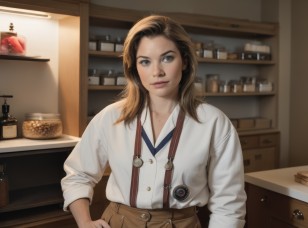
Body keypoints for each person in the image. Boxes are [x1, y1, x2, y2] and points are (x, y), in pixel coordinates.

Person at [61, 14, 246, 228]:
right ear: (134, 68)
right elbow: (78, 175)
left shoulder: (214, 123)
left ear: (184, 61)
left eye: (167, 58)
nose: (157, 72)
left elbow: (229, 203)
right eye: (145, 62)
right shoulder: (111, 117)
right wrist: (84, 222)